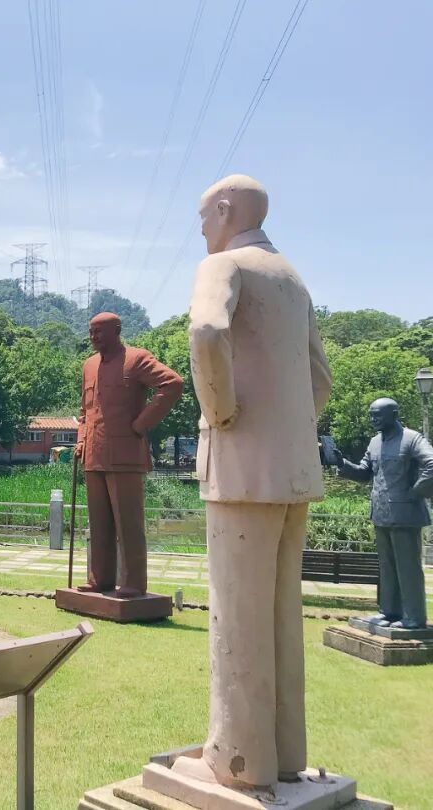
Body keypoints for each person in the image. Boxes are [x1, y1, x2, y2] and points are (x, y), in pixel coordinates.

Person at [176, 174, 332, 791]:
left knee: (238, 619)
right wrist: (288, 428)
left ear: (223, 208)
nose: (204, 231)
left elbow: (207, 331)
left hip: (241, 471)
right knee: (282, 617)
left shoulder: (222, 265)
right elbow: (319, 377)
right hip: (293, 469)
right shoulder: (292, 278)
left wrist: (223, 412)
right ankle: (284, 752)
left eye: (204, 218)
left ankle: (237, 758)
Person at [75, 312, 183, 596]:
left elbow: (172, 384)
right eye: (91, 331)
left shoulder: (136, 359)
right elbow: (85, 411)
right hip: (93, 455)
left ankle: (134, 582)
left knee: (129, 524)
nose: (93, 337)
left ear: (117, 331)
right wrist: (81, 441)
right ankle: (100, 579)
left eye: (99, 332)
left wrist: (141, 423)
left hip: (125, 454)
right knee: (99, 524)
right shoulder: (89, 366)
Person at [333, 398, 433, 629]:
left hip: (406, 515)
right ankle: (389, 612)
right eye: (371, 414)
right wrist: (343, 463)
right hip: (381, 514)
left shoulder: (412, 438)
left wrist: (415, 492)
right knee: (386, 566)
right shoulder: (375, 442)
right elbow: (365, 473)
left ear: (394, 414)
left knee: (408, 568)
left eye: (377, 414)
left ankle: (414, 617)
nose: (372, 419)